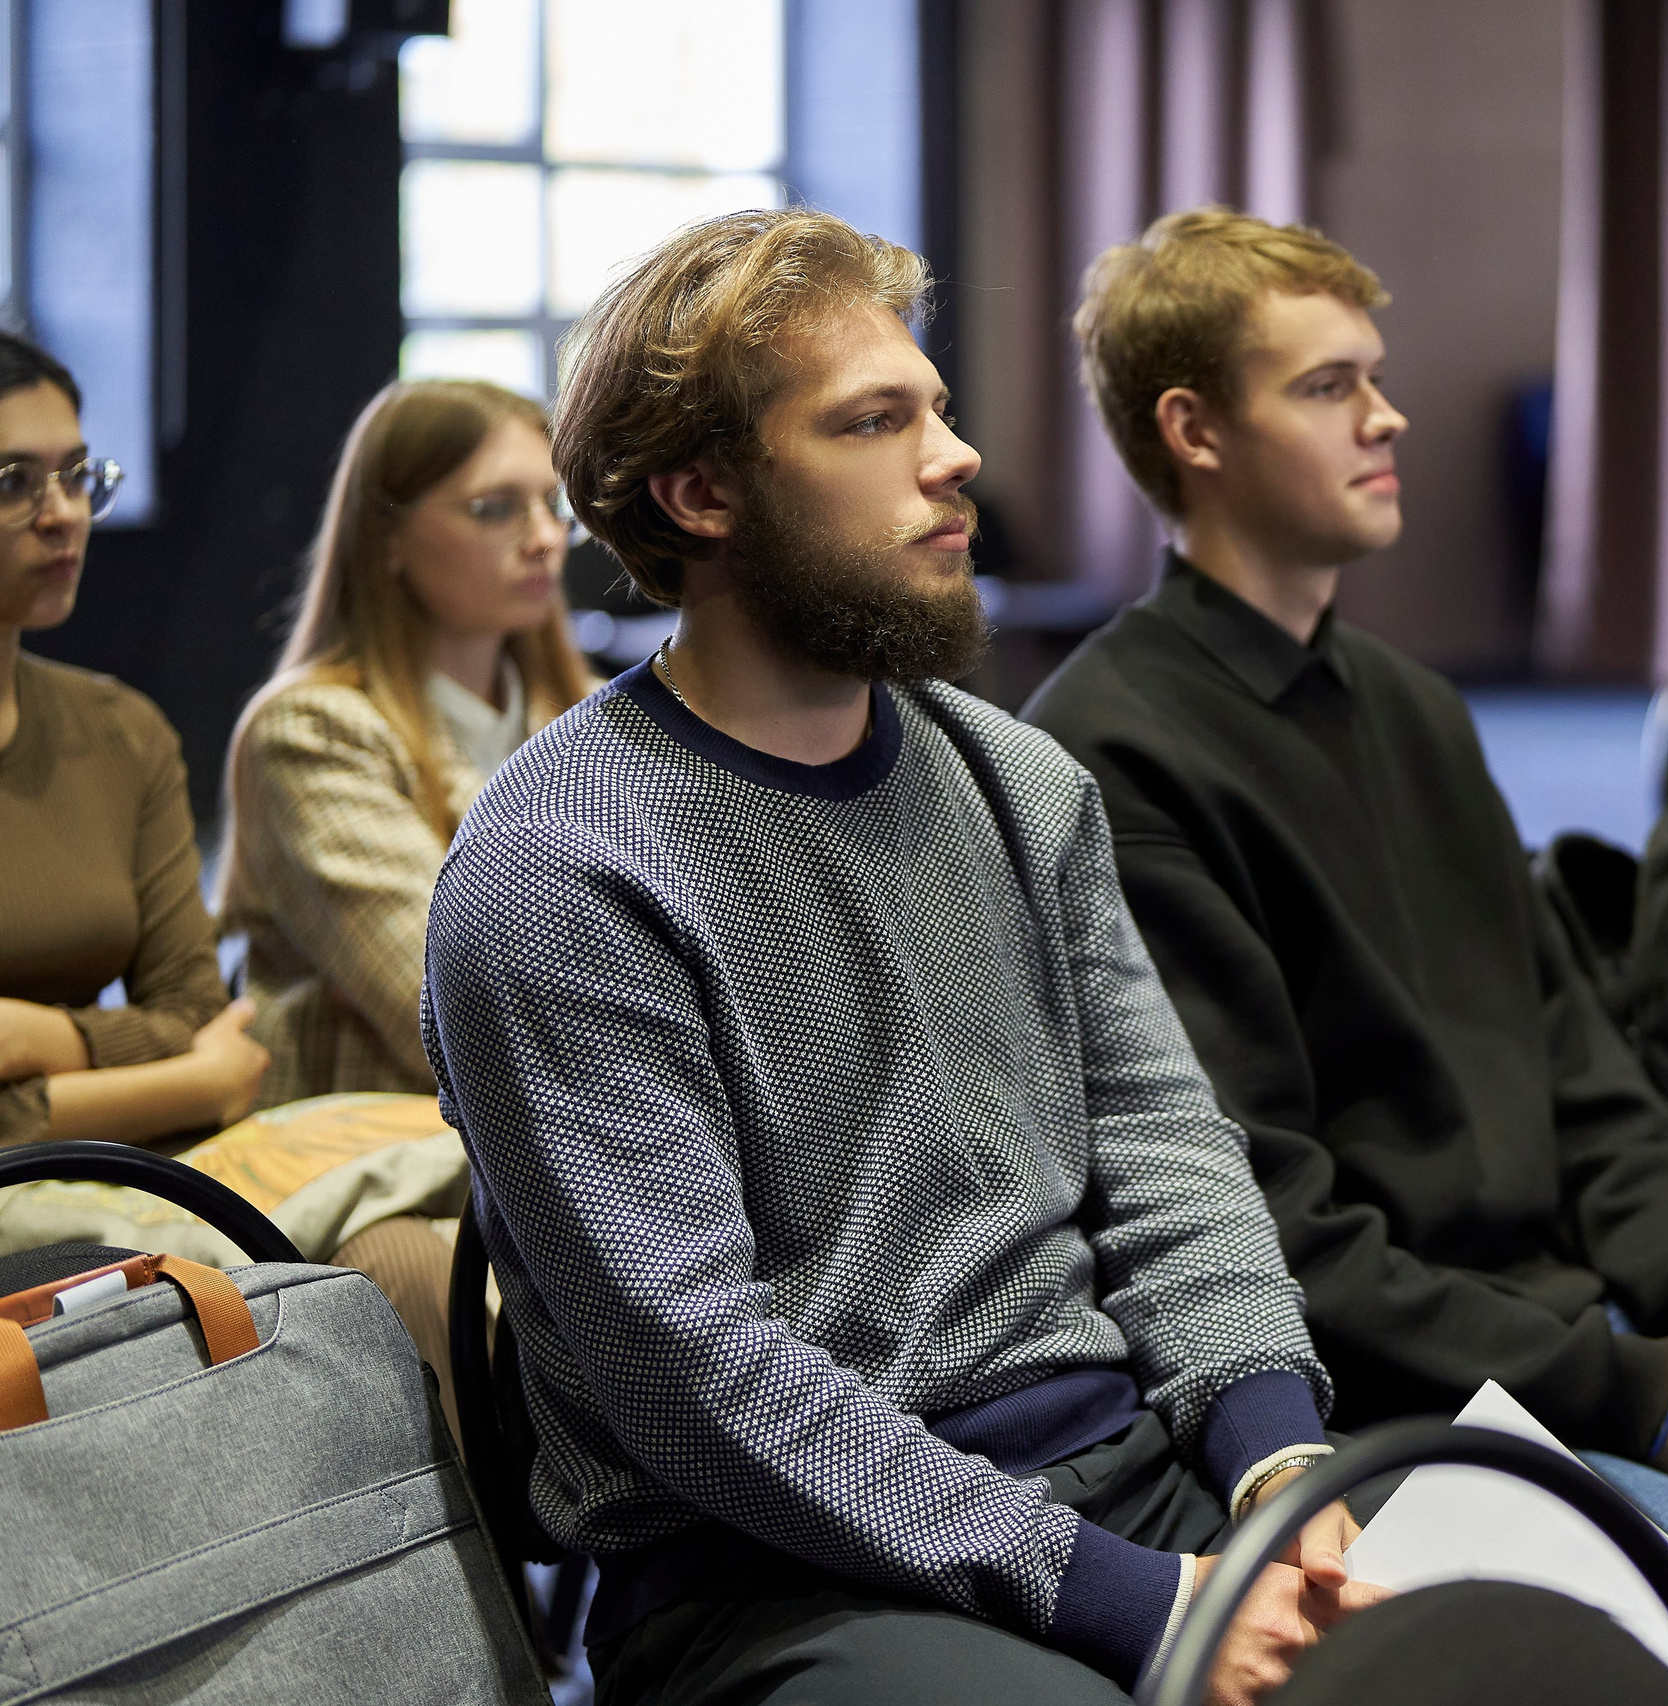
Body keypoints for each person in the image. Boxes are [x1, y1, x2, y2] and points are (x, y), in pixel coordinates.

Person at [422, 208, 1373, 1706]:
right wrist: (1130, 1602)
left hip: (1130, 1478)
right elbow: (699, 1382)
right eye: (876, 421)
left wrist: (1272, 1456)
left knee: (1572, 1652)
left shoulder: (1016, 779)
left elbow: (1166, 1150)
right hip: (782, 1573)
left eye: (934, 406)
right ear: (702, 492)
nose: (957, 455)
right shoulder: (563, 868)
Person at [1026, 208, 1668, 1687]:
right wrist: (1636, 1387)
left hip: (1578, 1351)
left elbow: (1581, 1065)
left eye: (1374, 376)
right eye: (1329, 385)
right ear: (1193, 429)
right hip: (1413, 1411)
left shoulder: (1415, 706)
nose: (1387, 413)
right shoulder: (1110, 758)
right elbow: (1267, 1235)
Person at [221, 379, 593, 1110]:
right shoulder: (312, 732)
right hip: (376, 1157)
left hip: (551, 1133)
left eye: (552, 507)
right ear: (386, 536)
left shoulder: (587, 715)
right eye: (495, 509)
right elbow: (447, 1011)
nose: (545, 538)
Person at [0, 328, 269, 1150]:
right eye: (12, 483)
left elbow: (196, 1011)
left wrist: (25, 1039)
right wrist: (185, 1084)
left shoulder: (120, 732)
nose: (63, 513)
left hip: (115, 1190)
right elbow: (206, 1061)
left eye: (77, 476)